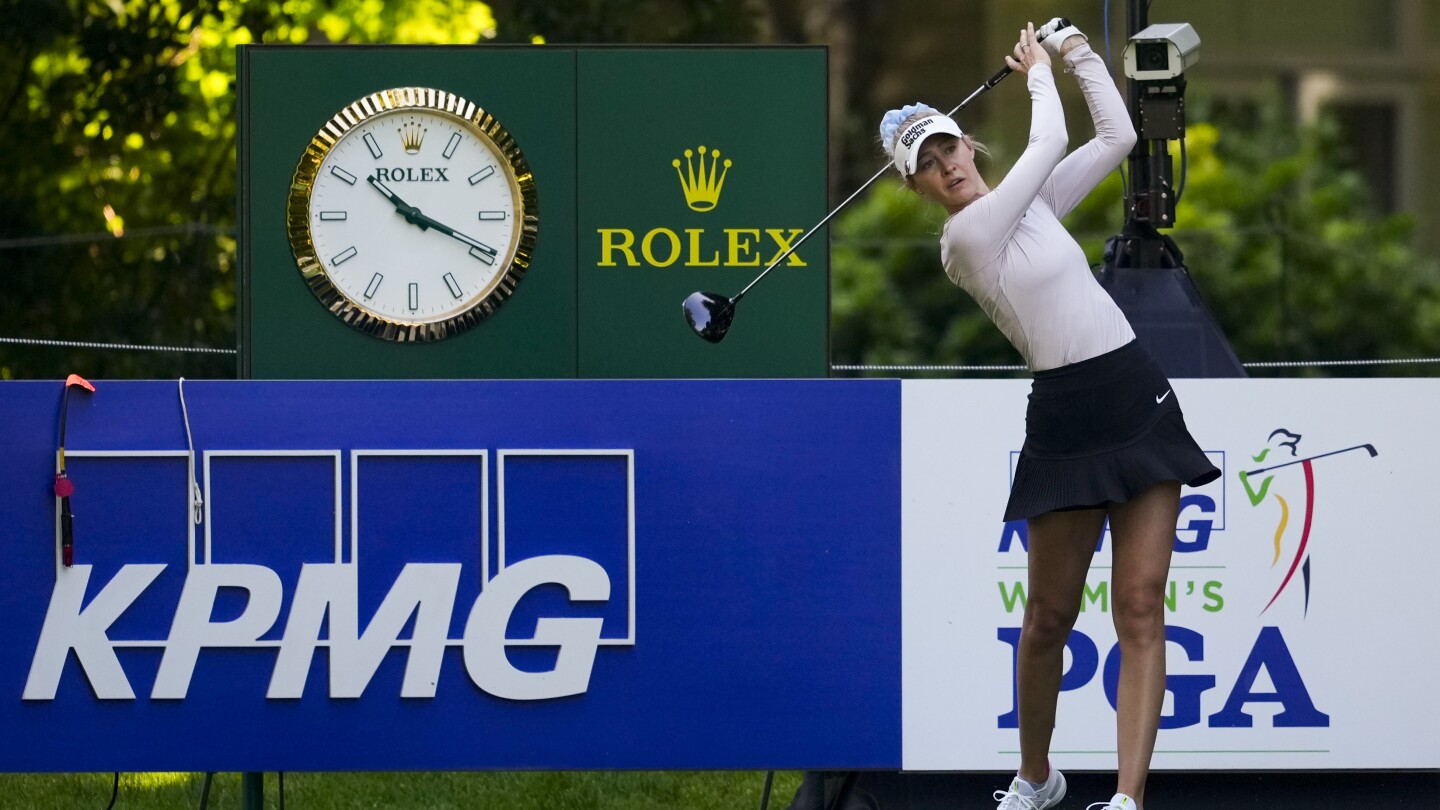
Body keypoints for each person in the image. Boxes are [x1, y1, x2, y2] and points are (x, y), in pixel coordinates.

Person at [878, 18, 1220, 810]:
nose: (947, 167)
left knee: (1139, 605)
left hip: (1136, 399)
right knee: (1047, 620)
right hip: (1065, 420)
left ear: (969, 146)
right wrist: (1035, 72)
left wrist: (1080, 55)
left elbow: (1117, 134)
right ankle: (1037, 776)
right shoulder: (966, 239)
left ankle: (1128, 798)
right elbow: (1047, 140)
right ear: (920, 187)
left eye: (950, 148)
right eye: (927, 166)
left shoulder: (1031, 207)